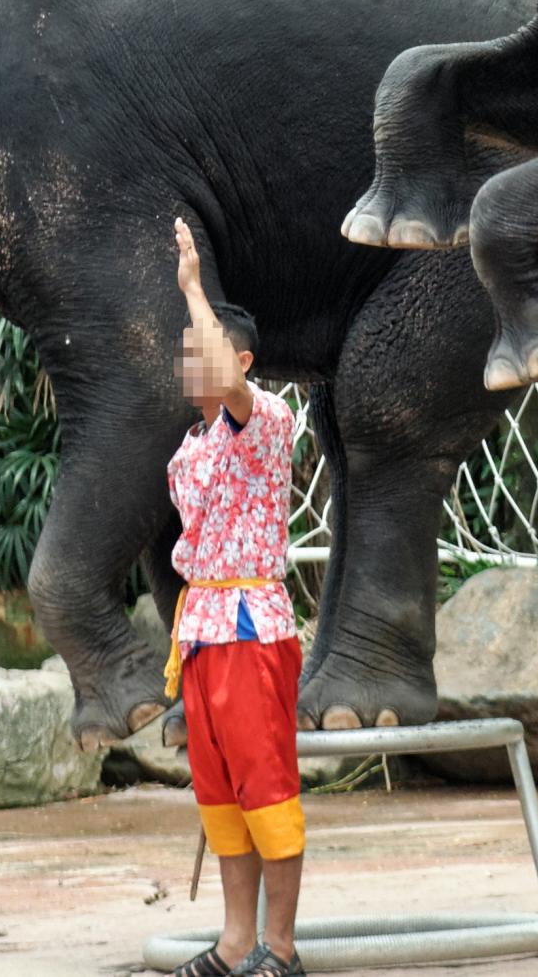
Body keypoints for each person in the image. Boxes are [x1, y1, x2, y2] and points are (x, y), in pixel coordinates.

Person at [166, 216, 307, 977]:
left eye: (205, 347)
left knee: (267, 788)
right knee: (221, 795)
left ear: (240, 360)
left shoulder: (267, 421)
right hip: (203, 628)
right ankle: (233, 942)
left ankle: (280, 947)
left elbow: (226, 384)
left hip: (251, 625)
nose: (191, 359)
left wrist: (194, 286)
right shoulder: (188, 448)